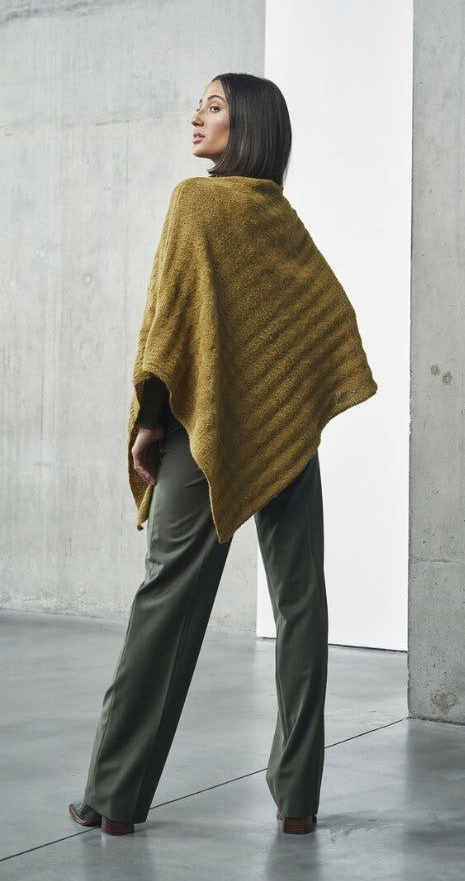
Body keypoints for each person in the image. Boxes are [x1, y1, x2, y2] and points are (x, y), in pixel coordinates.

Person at [68, 73, 377, 837]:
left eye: (213, 106)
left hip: (202, 436)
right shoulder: (282, 220)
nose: (197, 116)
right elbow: (325, 316)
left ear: (248, 126)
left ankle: (115, 794)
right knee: (301, 603)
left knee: (166, 600)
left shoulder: (196, 201)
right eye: (200, 105)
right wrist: (295, 401)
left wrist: (148, 417)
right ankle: (298, 797)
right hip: (284, 436)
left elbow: (166, 319)